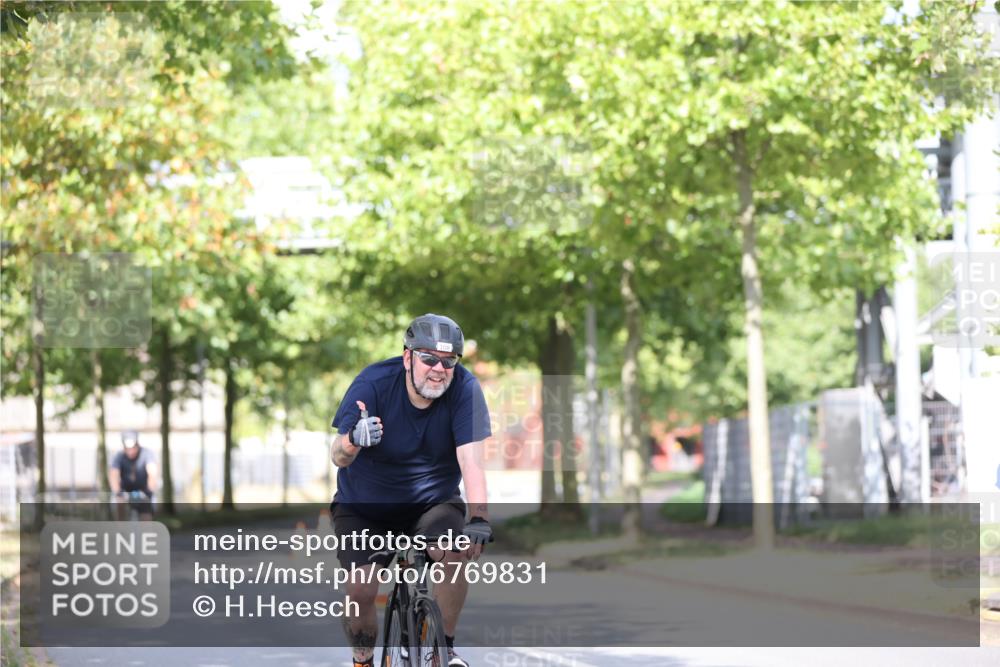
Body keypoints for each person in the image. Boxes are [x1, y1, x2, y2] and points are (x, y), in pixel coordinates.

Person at [330, 313, 493, 667]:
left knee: (453, 554)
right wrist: (354, 439)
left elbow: (471, 461)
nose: (439, 369)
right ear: (408, 357)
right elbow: (338, 456)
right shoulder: (372, 384)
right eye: (429, 358)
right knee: (360, 591)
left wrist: (479, 517)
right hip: (366, 508)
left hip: (432, 503)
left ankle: (442, 650)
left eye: (448, 361)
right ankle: (362, 660)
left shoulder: (465, 390)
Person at [109, 430, 159, 521]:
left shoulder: (147, 454)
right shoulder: (119, 456)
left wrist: (149, 491)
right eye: (128, 449)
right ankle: (120, 528)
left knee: (146, 515)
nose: (131, 451)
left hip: (144, 490)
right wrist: (118, 492)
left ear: (137, 444)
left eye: (133, 448)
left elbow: (152, 473)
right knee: (119, 503)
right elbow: (114, 475)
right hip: (125, 490)